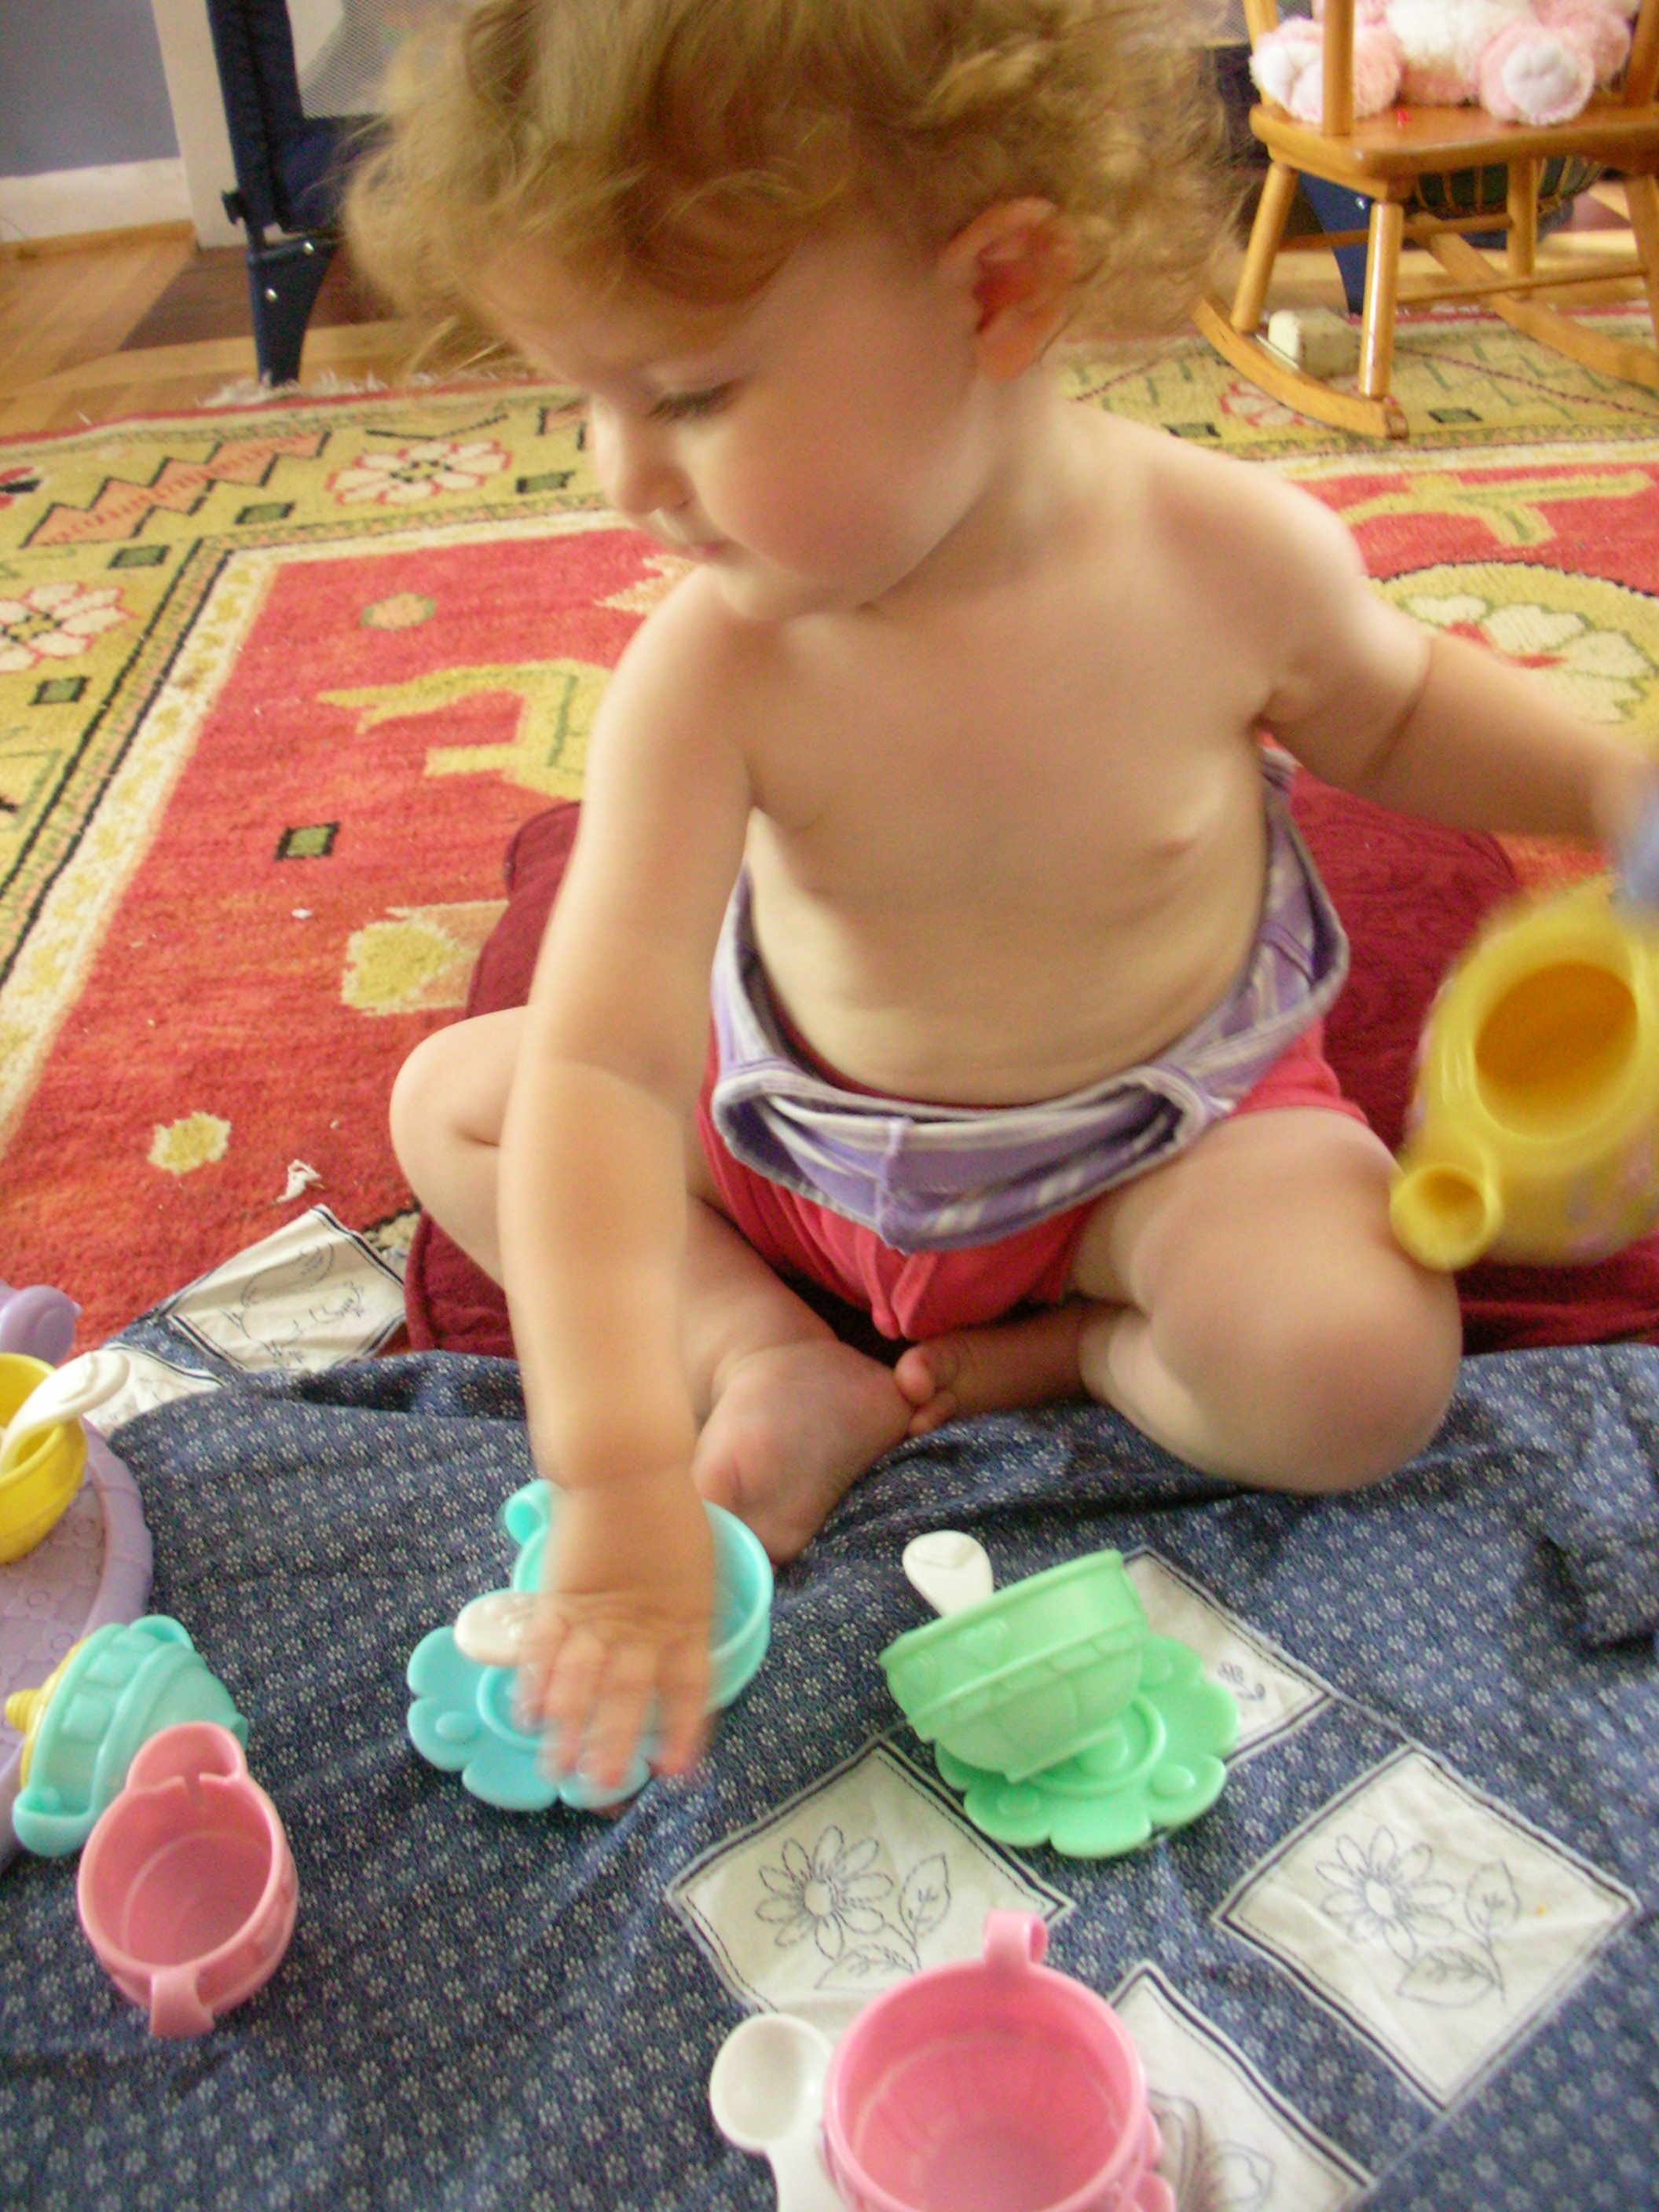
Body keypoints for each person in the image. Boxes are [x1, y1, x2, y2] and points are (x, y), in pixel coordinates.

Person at [347, 0, 1654, 1795]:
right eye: (586, 397)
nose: (620, 476)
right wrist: (619, 1466)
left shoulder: (1223, 557)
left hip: (1154, 1144)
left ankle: (1082, 1352)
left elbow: (1404, 706)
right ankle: (763, 1355)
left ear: (999, 291)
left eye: (691, 395)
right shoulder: (712, 673)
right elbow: (600, 1073)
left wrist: (1611, 785)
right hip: (795, 1148)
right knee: (459, 1102)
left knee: (1359, 1367)